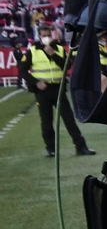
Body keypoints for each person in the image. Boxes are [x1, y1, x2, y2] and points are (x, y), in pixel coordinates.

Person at [18, 26, 93, 157]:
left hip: (58, 89)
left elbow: (67, 66)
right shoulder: (32, 51)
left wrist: (52, 53)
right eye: (43, 35)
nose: (46, 37)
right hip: (42, 91)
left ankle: (81, 147)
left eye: (48, 34)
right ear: (39, 36)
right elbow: (23, 69)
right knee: (46, 121)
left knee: (69, 119)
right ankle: (51, 149)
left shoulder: (58, 48)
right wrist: (36, 82)